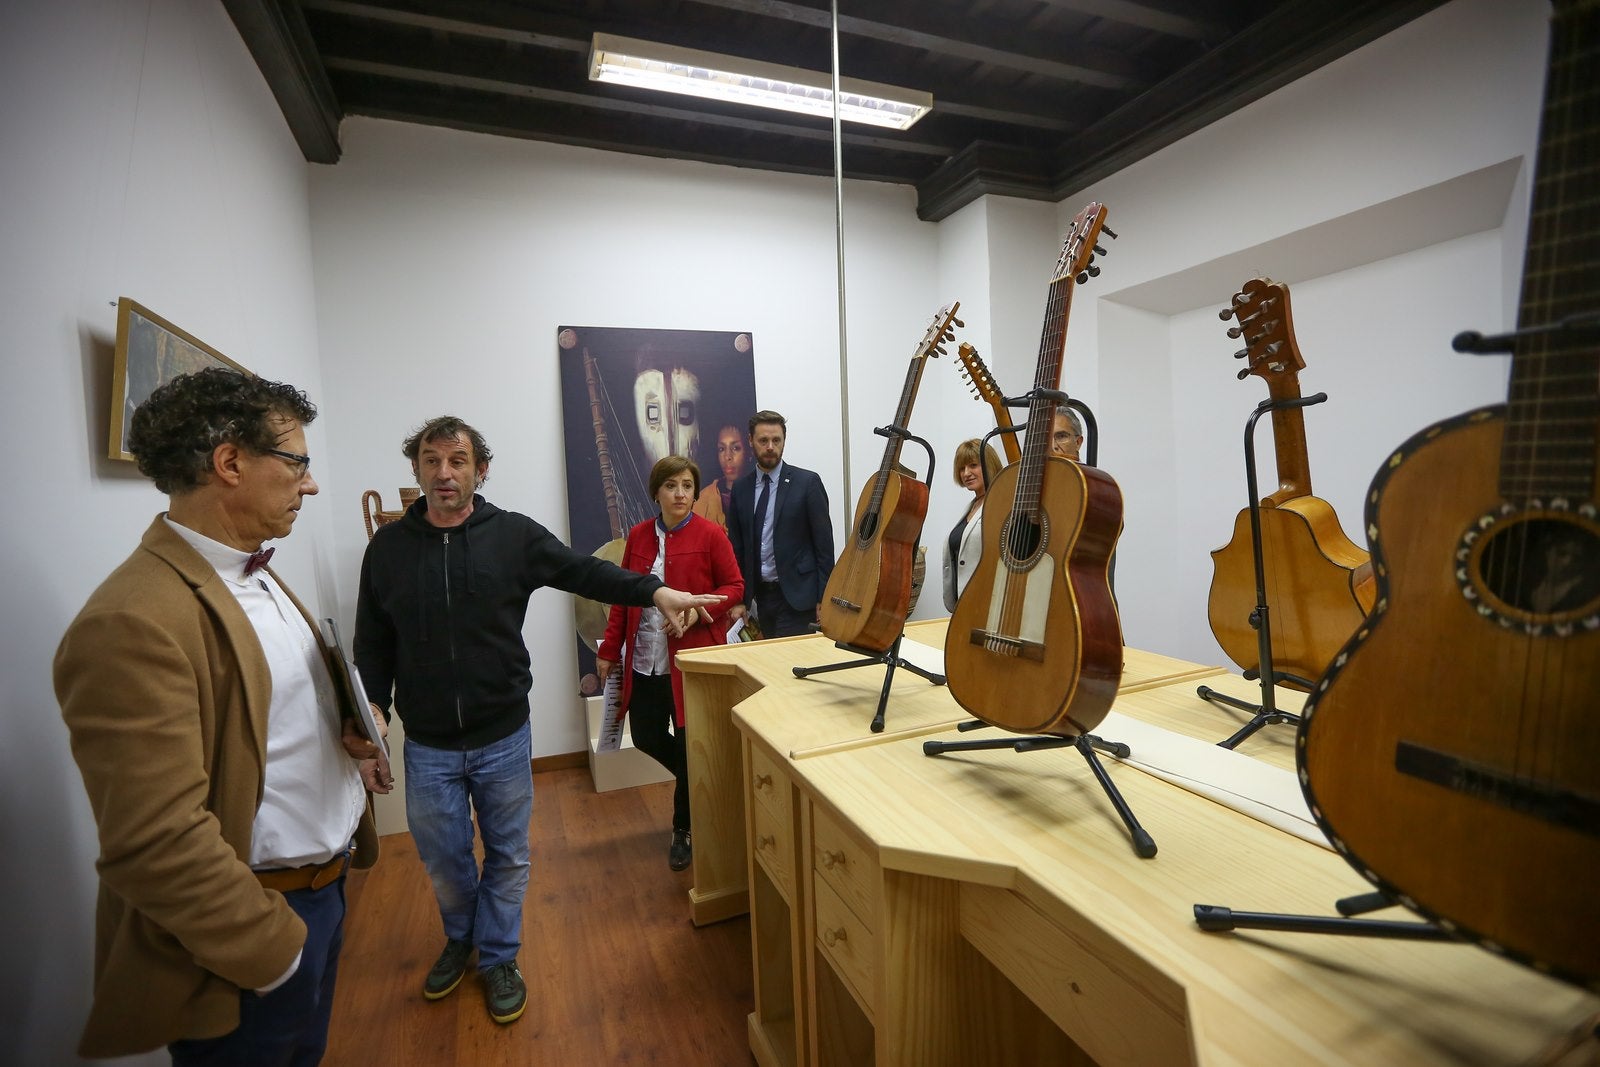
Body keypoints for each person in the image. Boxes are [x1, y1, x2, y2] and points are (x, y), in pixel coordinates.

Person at [54, 368, 386, 1064]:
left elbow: (266, 723)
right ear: (230, 463)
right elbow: (155, 841)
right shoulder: (131, 619)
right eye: (296, 462)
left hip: (321, 896)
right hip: (251, 938)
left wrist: (349, 738)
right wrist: (275, 951)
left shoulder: (253, 569)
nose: (312, 483)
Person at [353, 416, 723, 1026]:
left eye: (458, 460)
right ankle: (461, 936)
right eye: (431, 461)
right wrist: (373, 711)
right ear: (416, 469)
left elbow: (585, 571)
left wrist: (654, 592)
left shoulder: (513, 537)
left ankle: (497, 955)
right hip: (428, 744)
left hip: (501, 735)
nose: (444, 473)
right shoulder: (387, 551)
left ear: (481, 469)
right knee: (444, 859)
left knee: (507, 854)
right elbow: (374, 643)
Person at [596, 456, 744, 870]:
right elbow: (625, 598)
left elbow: (735, 586)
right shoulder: (639, 536)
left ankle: (684, 828)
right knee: (644, 736)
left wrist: (699, 612)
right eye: (671, 486)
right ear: (657, 492)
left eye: (686, 486)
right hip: (645, 658)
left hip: (691, 662)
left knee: (685, 738)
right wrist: (609, 650)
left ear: (696, 492)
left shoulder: (712, 534)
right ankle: (701, 778)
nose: (680, 494)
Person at [725, 409, 836, 637]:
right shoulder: (741, 488)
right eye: (763, 440)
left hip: (798, 598)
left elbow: (824, 548)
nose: (770, 447)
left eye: (776, 440)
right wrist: (740, 599)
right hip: (760, 598)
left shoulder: (807, 483)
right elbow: (736, 548)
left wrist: (824, 598)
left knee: (788, 665)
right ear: (751, 441)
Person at [942, 438, 1002, 612]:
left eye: (973, 465)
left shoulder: (1001, 503)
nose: (966, 473)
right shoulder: (972, 506)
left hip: (987, 605)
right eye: (962, 468)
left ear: (988, 464)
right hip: (962, 604)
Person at [691, 422, 748, 529]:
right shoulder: (703, 501)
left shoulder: (761, 493)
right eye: (721, 449)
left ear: (749, 452)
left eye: (735, 448)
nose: (727, 456)